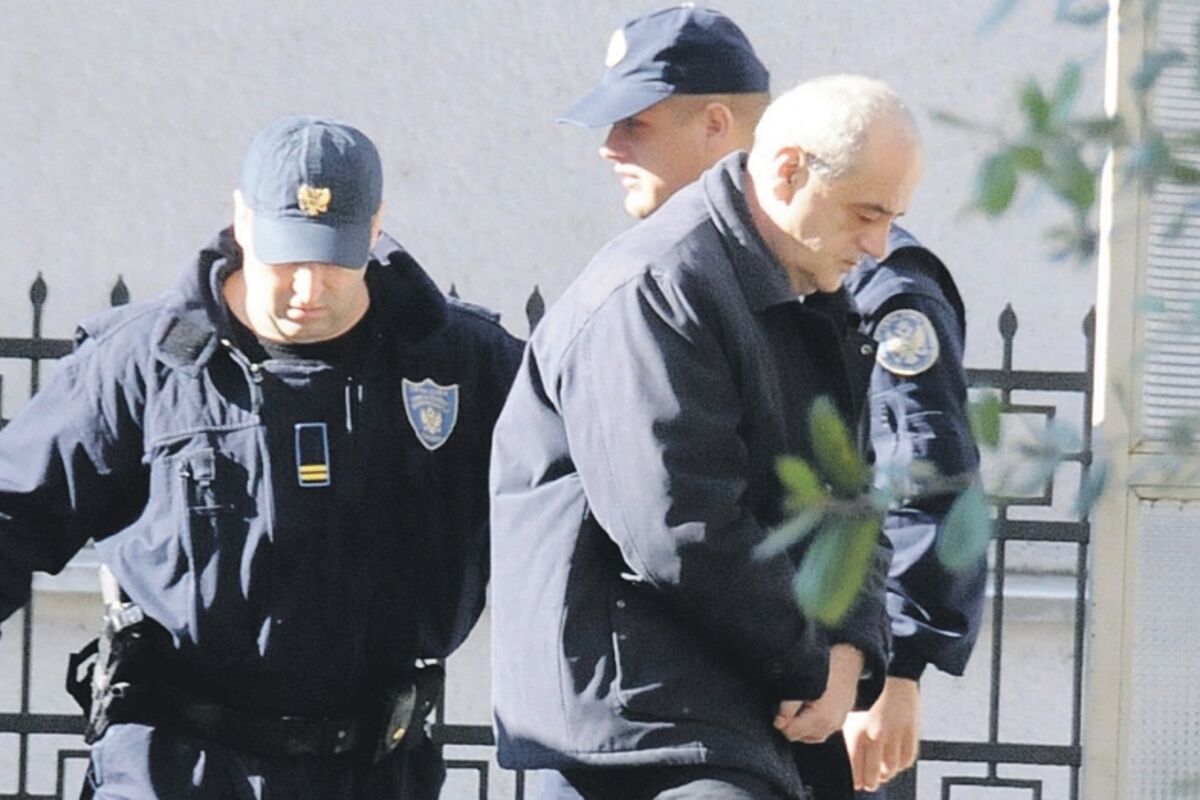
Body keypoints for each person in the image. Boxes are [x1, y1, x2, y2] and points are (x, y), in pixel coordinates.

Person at [0, 115, 522, 799]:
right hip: (176, 771)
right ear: (241, 220)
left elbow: (578, 509)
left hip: (373, 771)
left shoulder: (461, 363)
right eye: (288, 260)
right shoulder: (142, 366)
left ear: (376, 226)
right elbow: (13, 517)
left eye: (333, 260)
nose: (309, 289)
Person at [556, 7, 987, 797]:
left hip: (828, 692)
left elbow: (909, 473)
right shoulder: (682, 281)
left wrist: (887, 665)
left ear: (720, 128)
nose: (611, 147)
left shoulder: (851, 270)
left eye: (637, 123)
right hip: (744, 686)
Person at [490, 75, 924, 800]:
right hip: (638, 729)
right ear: (787, 171)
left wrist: (851, 646)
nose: (878, 246)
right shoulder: (659, 288)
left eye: (891, 219)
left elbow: (849, 497)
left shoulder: (804, 293)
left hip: (729, 712)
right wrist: (814, 663)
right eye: (865, 214)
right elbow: (679, 527)